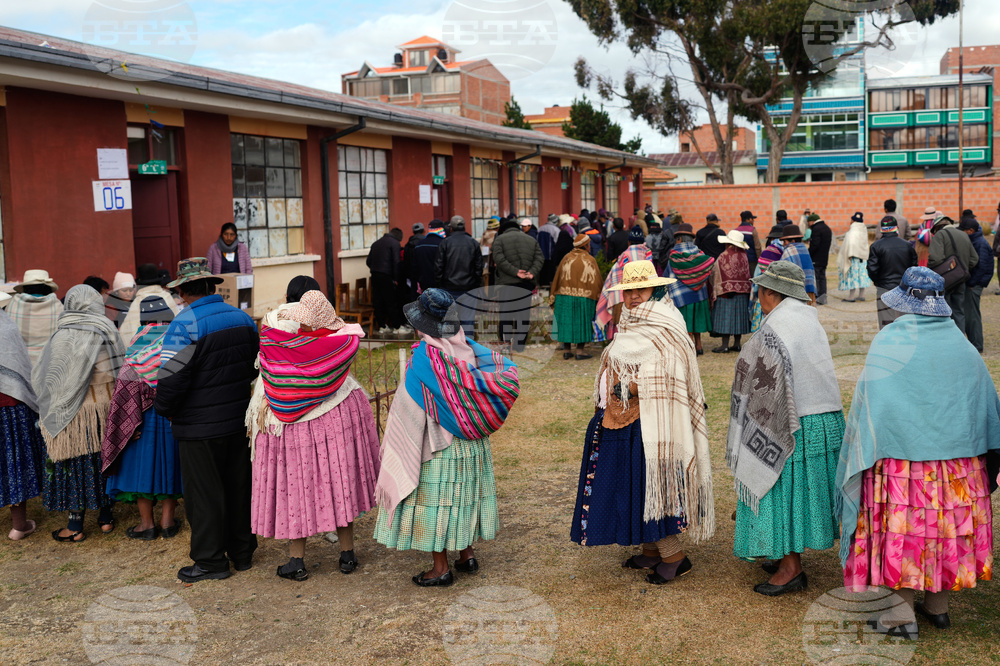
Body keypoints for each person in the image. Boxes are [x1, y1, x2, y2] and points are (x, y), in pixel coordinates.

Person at [837, 267, 1000, 637]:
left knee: (904, 534)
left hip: (903, 465)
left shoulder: (890, 341)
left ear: (905, 303)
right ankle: (938, 608)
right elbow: (986, 405)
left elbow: (871, 403)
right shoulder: (962, 344)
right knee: (943, 531)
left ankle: (900, 615)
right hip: (958, 468)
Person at [571, 260, 714, 584]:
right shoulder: (630, 320)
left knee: (649, 485)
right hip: (621, 419)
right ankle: (650, 550)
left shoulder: (665, 323)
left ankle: (674, 557)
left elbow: (673, 369)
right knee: (631, 486)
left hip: (650, 423)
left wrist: (634, 387)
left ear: (655, 290)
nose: (634, 296)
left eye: (641, 289)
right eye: (629, 291)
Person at [375, 289, 519, 586]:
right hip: (472, 443)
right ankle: (467, 555)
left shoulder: (425, 359)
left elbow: (411, 408)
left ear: (423, 325)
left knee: (438, 502)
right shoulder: (470, 351)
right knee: (464, 496)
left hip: (440, 444)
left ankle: (440, 568)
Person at [729, 261, 845, 596]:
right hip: (822, 420)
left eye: (761, 291)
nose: (758, 297)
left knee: (782, 491)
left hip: (791, 426)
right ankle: (784, 553)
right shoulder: (809, 318)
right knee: (800, 493)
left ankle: (791, 568)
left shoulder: (775, 328)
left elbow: (758, 378)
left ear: (771, 293)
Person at [249, 290, 379, 581]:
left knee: (297, 489)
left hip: (295, 430)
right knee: (339, 484)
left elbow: (267, 342)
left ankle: (297, 561)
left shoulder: (284, 348)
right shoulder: (338, 346)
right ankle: (347, 555)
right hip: (332, 422)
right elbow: (351, 334)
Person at [154, 258, 260, 582]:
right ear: (211, 286)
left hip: (198, 427)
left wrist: (165, 409)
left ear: (183, 291)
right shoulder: (243, 319)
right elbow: (255, 365)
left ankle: (211, 561)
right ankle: (242, 553)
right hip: (239, 420)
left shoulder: (183, 325)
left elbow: (171, 380)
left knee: (204, 495)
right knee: (238, 488)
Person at [33, 284, 125, 542]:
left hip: (73, 414)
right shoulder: (108, 330)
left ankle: (75, 525)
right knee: (103, 460)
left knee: (75, 464)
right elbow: (120, 370)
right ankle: (106, 518)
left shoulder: (62, 335)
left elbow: (49, 377)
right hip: (105, 409)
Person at [101, 296, 183, 540]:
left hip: (142, 420)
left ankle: (147, 524)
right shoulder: (178, 342)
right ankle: (168, 522)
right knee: (171, 465)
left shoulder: (138, 344)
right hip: (172, 417)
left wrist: (124, 424)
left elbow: (124, 389)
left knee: (143, 468)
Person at [0, 308, 47, 540]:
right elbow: (19, 367)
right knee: (14, 461)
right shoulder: (6, 327)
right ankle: (19, 526)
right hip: (10, 406)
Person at [492, 217, 544, 349]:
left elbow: (499, 259)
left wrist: (515, 272)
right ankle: (520, 345)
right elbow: (540, 258)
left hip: (506, 284)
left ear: (503, 230)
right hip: (526, 283)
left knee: (506, 314)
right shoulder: (531, 240)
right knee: (523, 314)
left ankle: (506, 343)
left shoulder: (499, 240)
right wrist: (531, 272)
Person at [550, 234, 601, 360]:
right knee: (582, 322)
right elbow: (597, 281)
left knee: (566, 322)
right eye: (589, 245)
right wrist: (599, 295)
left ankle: (567, 350)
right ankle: (580, 351)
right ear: (586, 246)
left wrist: (553, 294)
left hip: (564, 296)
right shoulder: (590, 260)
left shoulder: (566, 258)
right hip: (584, 297)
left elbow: (557, 277)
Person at [595, 230, 652, 340]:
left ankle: (619, 341)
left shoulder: (623, 256)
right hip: (643, 297)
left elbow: (613, 278)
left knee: (620, 322)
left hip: (621, 297)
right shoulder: (647, 255)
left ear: (629, 242)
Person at [666, 224, 714, 355]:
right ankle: (699, 345)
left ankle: (690, 345)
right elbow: (708, 266)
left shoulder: (674, 256)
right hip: (699, 295)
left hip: (682, 295)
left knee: (686, 322)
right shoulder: (700, 254)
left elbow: (668, 276)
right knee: (696, 321)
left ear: (680, 239)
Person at [928, 215, 977, 333]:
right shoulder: (964, 234)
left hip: (944, 282)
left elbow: (935, 259)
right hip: (960, 279)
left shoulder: (940, 235)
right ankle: (959, 339)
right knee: (959, 312)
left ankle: (948, 340)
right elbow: (974, 259)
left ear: (937, 228)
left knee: (945, 313)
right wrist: (961, 270)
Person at [867, 216, 918, 329]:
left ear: (881, 229)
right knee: (905, 320)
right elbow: (914, 269)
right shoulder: (907, 245)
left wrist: (878, 282)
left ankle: (888, 340)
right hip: (904, 289)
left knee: (886, 322)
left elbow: (872, 269)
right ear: (897, 228)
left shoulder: (876, 246)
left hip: (884, 288)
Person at [8, 269, 63, 366]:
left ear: (25, 287)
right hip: (49, 364)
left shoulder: (13, 305)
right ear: (48, 288)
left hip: (20, 364)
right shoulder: (58, 306)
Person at [709, 231, 751, 354]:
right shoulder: (744, 255)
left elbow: (715, 271)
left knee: (726, 318)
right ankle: (737, 344)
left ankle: (725, 345)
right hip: (742, 293)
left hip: (726, 294)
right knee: (739, 319)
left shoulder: (724, 255)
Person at [119, 263, 180, 345]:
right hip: (170, 346)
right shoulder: (167, 297)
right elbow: (178, 324)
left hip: (146, 349)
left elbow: (127, 333)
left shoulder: (137, 302)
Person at [434, 216, 484, 310]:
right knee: (468, 316)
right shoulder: (473, 243)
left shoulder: (445, 243)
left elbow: (438, 266)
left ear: (451, 228)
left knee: (451, 316)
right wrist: (477, 283)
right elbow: (479, 267)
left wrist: (439, 284)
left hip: (449, 287)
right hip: (469, 286)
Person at [961, 216, 993, 352]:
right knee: (971, 314)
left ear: (970, 231)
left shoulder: (980, 243)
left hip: (975, 284)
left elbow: (982, 267)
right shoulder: (976, 241)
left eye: (964, 230)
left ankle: (976, 345)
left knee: (972, 315)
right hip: (975, 282)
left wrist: (972, 283)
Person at [367, 227, 404, 334]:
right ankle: (397, 327)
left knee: (378, 301)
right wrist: (396, 278)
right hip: (387, 276)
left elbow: (368, 261)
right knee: (391, 301)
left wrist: (375, 269)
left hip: (375, 275)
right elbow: (397, 262)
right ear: (398, 237)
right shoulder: (395, 243)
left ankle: (382, 326)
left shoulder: (376, 243)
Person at [749, 227, 786, 332]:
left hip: (765, 295)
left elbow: (757, 278)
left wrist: (755, 295)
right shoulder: (785, 252)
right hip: (781, 296)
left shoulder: (766, 253)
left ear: (771, 239)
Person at [778, 226, 816, 303]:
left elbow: (781, 272)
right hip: (808, 289)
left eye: (785, 242)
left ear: (793, 241)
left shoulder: (788, 251)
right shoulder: (804, 249)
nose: (783, 245)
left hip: (794, 293)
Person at [413, 220, 447, 292]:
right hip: (441, 285)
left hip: (425, 285)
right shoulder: (444, 244)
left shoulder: (419, 245)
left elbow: (415, 267)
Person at [807, 213, 832, 305]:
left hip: (816, 258)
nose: (808, 224)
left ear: (812, 221)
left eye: (808, 222)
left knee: (817, 278)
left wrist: (809, 254)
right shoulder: (827, 228)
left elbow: (815, 245)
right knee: (822, 278)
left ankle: (818, 298)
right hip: (824, 258)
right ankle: (823, 297)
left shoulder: (816, 229)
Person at [401, 223, 426, 306]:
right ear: (423, 231)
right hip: (423, 276)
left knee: (414, 299)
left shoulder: (408, 245)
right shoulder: (424, 243)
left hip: (412, 276)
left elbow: (405, 261)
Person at [537, 214, 562, 286]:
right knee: (550, 275)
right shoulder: (556, 230)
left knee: (542, 274)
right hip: (551, 256)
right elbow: (557, 242)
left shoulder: (540, 228)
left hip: (540, 256)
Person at [736, 211, 763, 275]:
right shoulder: (752, 230)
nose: (753, 221)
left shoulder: (736, 230)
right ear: (748, 219)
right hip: (751, 261)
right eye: (752, 219)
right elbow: (757, 247)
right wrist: (759, 260)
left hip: (739, 261)